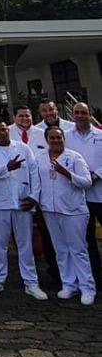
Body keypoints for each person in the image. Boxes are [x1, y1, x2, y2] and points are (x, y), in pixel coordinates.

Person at [0, 120, 47, 300]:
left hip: (22, 201)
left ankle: (31, 282)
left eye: (4, 129)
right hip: (1, 203)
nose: (2, 132)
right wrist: (7, 168)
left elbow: (34, 172)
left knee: (25, 244)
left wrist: (34, 196)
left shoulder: (23, 148)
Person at [38, 126, 95, 305]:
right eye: (52, 138)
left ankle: (87, 287)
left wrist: (66, 173)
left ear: (64, 138)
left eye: (59, 138)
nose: (55, 141)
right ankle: (70, 284)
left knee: (78, 250)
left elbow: (86, 182)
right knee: (61, 250)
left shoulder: (74, 157)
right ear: (46, 140)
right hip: (50, 210)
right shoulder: (40, 158)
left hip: (73, 211)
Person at [65, 102, 102, 287]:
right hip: (80, 197)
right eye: (76, 112)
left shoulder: (101, 135)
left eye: (83, 112)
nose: (80, 116)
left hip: (100, 192)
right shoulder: (67, 137)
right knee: (87, 240)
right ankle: (95, 276)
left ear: (90, 114)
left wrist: (96, 175)